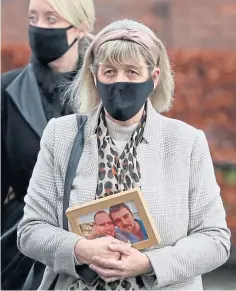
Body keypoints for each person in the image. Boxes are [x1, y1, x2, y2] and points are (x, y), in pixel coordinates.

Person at [18, 19, 231, 290]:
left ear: (153, 78)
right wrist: (81, 249)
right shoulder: (61, 136)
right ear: (94, 76)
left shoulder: (187, 143)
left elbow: (215, 240)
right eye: (109, 71)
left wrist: (150, 263)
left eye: (132, 72)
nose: (120, 81)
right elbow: (31, 230)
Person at [1, 0, 95, 289]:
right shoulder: (7, 90)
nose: (39, 27)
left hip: (94, 244)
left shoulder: (106, 90)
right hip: (20, 247)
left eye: (51, 19)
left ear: (80, 28)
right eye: (33, 17)